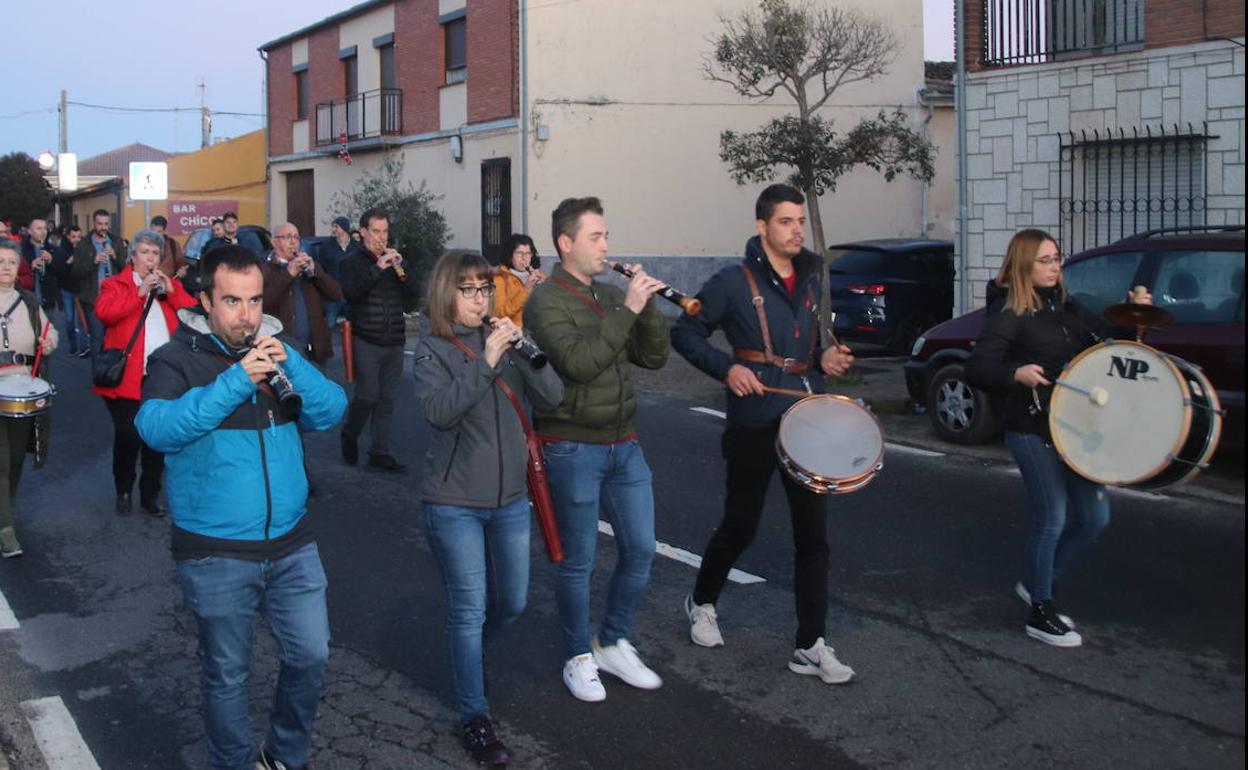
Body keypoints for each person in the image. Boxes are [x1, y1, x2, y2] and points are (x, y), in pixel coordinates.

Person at [135, 245, 347, 770]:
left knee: (312, 654)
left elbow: (332, 410)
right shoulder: (174, 358)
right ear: (205, 299)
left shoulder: (275, 348)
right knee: (227, 673)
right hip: (216, 548)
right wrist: (235, 381)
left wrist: (287, 360)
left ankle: (283, 755)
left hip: (291, 541)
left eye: (254, 301)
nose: (247, 316)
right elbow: (156, 429)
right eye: (232, 302)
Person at [671, 184, 857, 684]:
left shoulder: (814, 277)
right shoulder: (733, 281)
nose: (797, 229)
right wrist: (726, 368)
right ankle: (703, 600)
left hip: (808, 415)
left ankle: (810, 645)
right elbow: (683, 333)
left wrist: (826, 359)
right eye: (786, 222)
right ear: (762, 227)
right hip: (754, 419)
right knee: (742, 525)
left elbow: (811, 346)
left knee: (813, 535)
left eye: (800, 221)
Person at [966, 228, 1152, 648]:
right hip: (1032, 429)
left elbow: (1107, 339)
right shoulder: (1009, 313)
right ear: (1023, 265)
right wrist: (1014, 373)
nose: (1055, 267)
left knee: (1094, 518)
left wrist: (1137, 318)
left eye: (1057, 258)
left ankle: (1037, 582)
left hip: (1075, 429)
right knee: (1053, 518)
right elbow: (977, 368)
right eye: (1045, 260)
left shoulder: (1065, 305)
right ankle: (1040, 611)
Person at [413, 250, 563, 764]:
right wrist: (488, 362)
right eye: (469, 290)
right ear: (446, 294)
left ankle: (467, 657)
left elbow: (553, 395)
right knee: (469, 608)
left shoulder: (504, 336)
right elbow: (439, 412)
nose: (480, 299)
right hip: (454, 500)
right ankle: (475, 716)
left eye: (485, 289)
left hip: (511, 499)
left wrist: (526, 350)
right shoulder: (432, 348)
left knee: (513, 603)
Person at [524, 196, 669, 702]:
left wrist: (645, 307)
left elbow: (653, 357)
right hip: (572, 445)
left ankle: (612, 640)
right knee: (578, 560)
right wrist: (626, 310)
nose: (606, 245)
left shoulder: (610, 295)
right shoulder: (545, 301)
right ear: (566, 243)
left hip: (624, 442)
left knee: (641, 548)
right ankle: (577, 656)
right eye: (595, 237)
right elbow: (580, 363)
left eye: (606, 235)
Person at [92, 229, 197, 517]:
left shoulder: (167, 285)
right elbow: (106, 313)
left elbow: (193, 315)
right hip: (125, 376)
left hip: (162, 377)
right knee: (128, 437)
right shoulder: (116, 284)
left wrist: (172, 292)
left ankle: (150, 495)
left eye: (155, 253)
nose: (151, 258)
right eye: (145, 252)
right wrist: (139, 294)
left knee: (156, 439)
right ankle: (123, 489)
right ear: (133, 256)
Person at [339, 209, 418, 472]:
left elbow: (412, 298)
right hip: (367, 337)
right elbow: (352, 293)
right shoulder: (353, 261)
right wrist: (377, 268)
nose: (381, 238)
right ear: (362, 232)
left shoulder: (392, 262)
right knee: (367, 396)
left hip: (395, 339)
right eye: (376, 231)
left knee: (387, 400)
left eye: (385, 232)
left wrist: (400, 269)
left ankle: (379, 452)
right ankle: (350, 432)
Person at [0, 241, 57, 558]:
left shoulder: (29, 301)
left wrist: (48, 341)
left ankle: (1, 517)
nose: (6, 267)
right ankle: (6, 531)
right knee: (0, 462)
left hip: (23, 387)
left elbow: (49, 334)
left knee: (16, 459)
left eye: (11, 261)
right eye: (0, 261)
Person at [262, 223, 342, 364]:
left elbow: (336, 295)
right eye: (287, 237)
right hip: (282, 351)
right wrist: (288, 274)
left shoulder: (309, 267)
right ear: (274, 242)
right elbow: (263, 304)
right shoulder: (265, 270)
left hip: (315, 350)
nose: (293, 242)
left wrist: (316, 272)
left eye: (296, 237)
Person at [70, 209, 128, 352]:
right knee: (97, 339)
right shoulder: (84, 244)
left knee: (114, 338)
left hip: (114, 298)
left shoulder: (116, 241)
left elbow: (126, 269)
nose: (103, 227)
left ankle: (111, 371)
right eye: (100, 224)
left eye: (106, 224)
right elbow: (76, 273)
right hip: (93, 299)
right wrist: (93, 261)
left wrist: (115, 256)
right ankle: (98, 373)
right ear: (94, 224)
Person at [50, 225, 89, 356]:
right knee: (69, 320)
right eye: (73, 237)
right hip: (67, 289)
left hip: (81, 289)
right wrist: (68, 263)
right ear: (68, 237)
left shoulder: (84, 248)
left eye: (79, 236)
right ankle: (73, 345)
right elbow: (59, 271)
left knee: (82, 319)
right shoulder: (61, 250)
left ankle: (84, 347)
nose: (76, 240)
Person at [491, 234, 545, 328]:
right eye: (519, 253)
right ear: (510, 255)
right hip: (516, 331)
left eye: (528, 253)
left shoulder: (541, 275)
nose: (524, 258)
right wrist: (526, 290)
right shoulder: (500, 279)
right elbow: (501, 313)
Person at [317, 216, 356, 327]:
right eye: (333, 227)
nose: (333, 229)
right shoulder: (327, 246)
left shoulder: (356, 246)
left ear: (344, 228)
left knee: (355, 326)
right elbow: (321, 269)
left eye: (336, 227)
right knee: (329, 326)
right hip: (332, 295)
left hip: (351, 295)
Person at [19, 219, 56, 311]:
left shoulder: (53, 249)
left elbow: (63, 273)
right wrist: (30, 266)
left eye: (45, 228)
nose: (43, 232)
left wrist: (51, 261)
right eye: (39, 228)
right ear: (29, 231)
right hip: (27, 301)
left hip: (48, 302)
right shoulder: (20, 249)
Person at [150, 215, 189, 283]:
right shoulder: (144, 245)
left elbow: (181, 263)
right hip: (148, 286)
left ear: (165, 231)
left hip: (169, 286)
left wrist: (182, 271)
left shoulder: (173, 245)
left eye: (159, 231)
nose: (155, 235)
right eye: (153, 231)